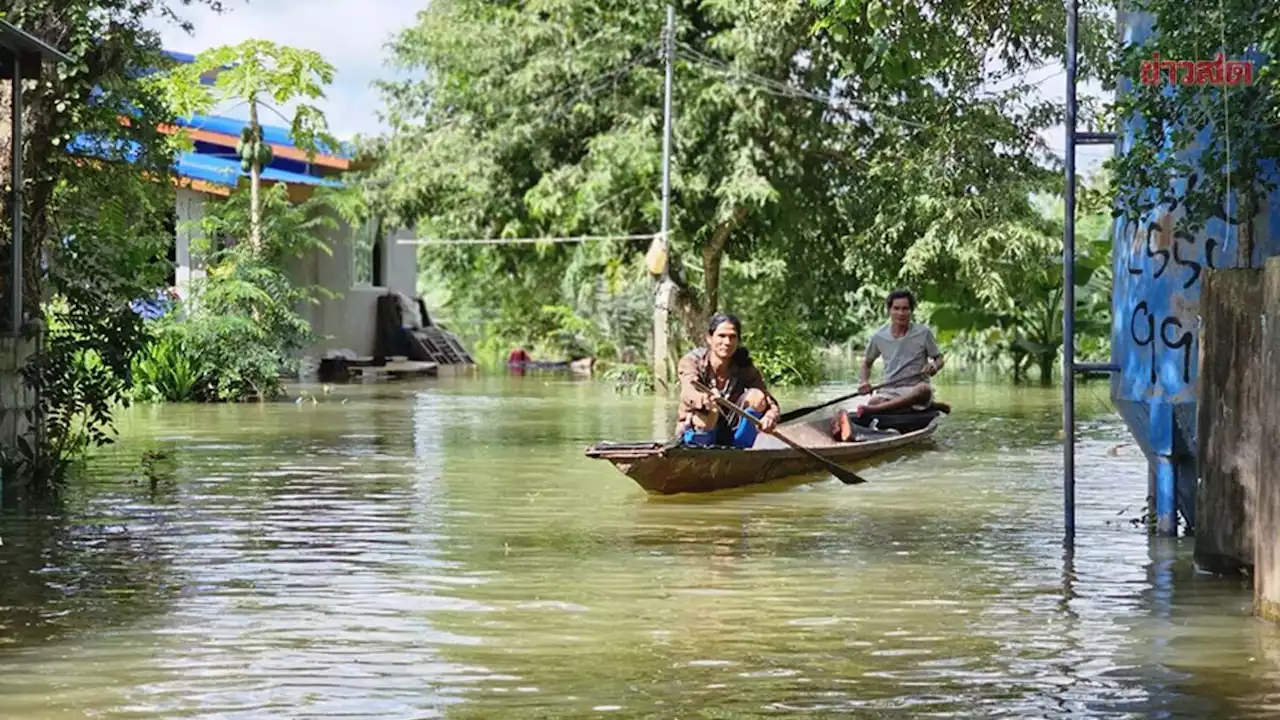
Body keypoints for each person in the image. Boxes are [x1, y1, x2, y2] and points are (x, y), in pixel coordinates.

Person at [831, 288, 944, 441]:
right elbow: (866, 363)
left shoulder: (923, 333)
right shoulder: (879, 337)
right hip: (890, 390)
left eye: (905, 309)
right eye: (896, 308)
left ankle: (872, 411)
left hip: (915, 388)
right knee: (874, 399)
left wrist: (934, 366)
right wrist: (864, 381)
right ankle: (890, 410)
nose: (901, 313)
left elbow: (939, 358)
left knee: (924, 389)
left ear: (911, 311)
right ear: (889, 310)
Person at [676, 313, 781, 448]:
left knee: (757, 397)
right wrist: (705, 399)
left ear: (738, 341)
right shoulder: (692, 361)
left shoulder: (744, 366)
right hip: (697, 427)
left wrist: (770, 418)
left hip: (731, 430)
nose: (727, 342)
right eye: (722, 336)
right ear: (709, 338)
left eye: (732, 337)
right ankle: (700, 449)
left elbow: (770, 402)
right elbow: (688, 392)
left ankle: (740, 449)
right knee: (711, 409)